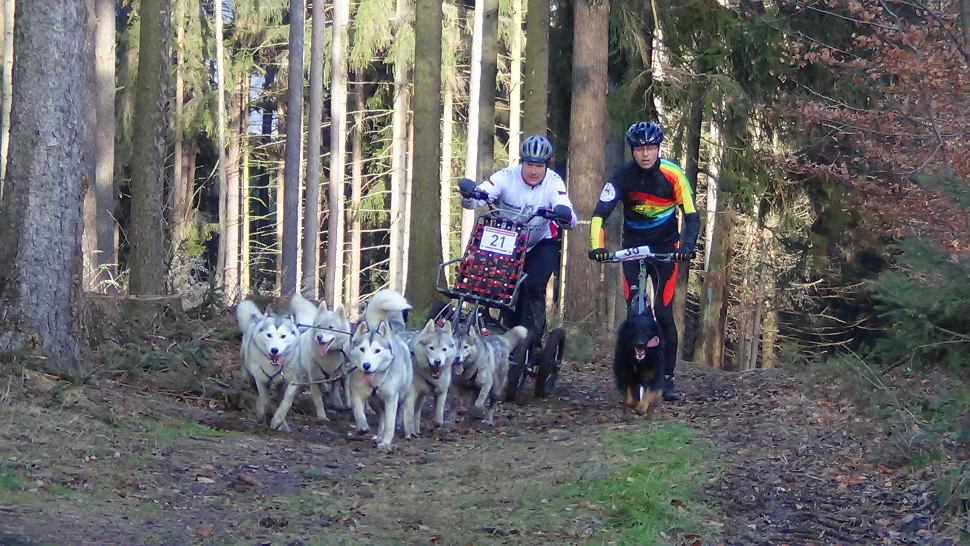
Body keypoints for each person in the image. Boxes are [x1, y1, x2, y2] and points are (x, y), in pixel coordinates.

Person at [588, 121, 700, 401]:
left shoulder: (673, 175)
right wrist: (597, 247)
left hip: (665, 250)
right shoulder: (622, 176)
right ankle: (631, 378)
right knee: (633, 316)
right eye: (639, 149)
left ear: (658, 148)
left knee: (663, 314)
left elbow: (692, 217)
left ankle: (667, 378)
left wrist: (686, 247)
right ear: (632, 151)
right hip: (632, 249)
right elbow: (600, 214)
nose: (645, 154)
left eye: (650, 148)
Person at [458, 135, 577, 347]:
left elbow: (568, 214)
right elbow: (479, 196)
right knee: (493, 283)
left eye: (539, 166)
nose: (534, 171)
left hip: (540, 243)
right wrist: (468, 195)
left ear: (546, 166)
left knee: (531, 285)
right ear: (521, 162)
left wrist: (564, 215)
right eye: (529, 164)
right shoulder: (506, 176)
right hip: (508, 242)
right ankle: (497, 330)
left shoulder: (553, 181)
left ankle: (532, 341)